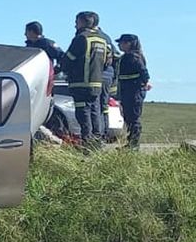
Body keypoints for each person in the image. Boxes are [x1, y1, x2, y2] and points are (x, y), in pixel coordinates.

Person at [63, 11, 109, 148]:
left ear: (83, 22)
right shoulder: (102, 40)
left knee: (83, 114)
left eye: (76, 22)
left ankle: (87, 144)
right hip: (97, 83)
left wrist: (61, 69)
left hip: (80, 83)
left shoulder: (81, 38)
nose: (75, 25)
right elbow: (108, 62)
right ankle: (96, 142)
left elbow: (68, 60)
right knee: (95, 112)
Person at [115, 34, 151, 148]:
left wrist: (145, 82)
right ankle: (131, 142)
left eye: (121, 43)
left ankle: (134, 144)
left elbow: (144, 72)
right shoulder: (126, 57)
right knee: (128, 117)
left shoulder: (134, 57)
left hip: (134, 91)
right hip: (128, 91)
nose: (119, 45)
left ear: (129, 43)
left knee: (133, 117)